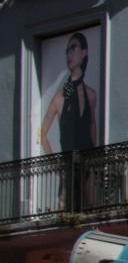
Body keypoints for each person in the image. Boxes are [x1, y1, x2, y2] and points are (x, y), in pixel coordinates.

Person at [38, 32, 100, 211]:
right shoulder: (60, 98)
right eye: (67, 51)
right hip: (69, 166)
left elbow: (92, 124)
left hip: (86, 165)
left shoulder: (91, 95)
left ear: (84, 52)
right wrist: (55, 164)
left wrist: (94, 158)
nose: (69, 55)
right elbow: (43, 133)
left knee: (92, 208)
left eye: (74, 48)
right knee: (64, 206)